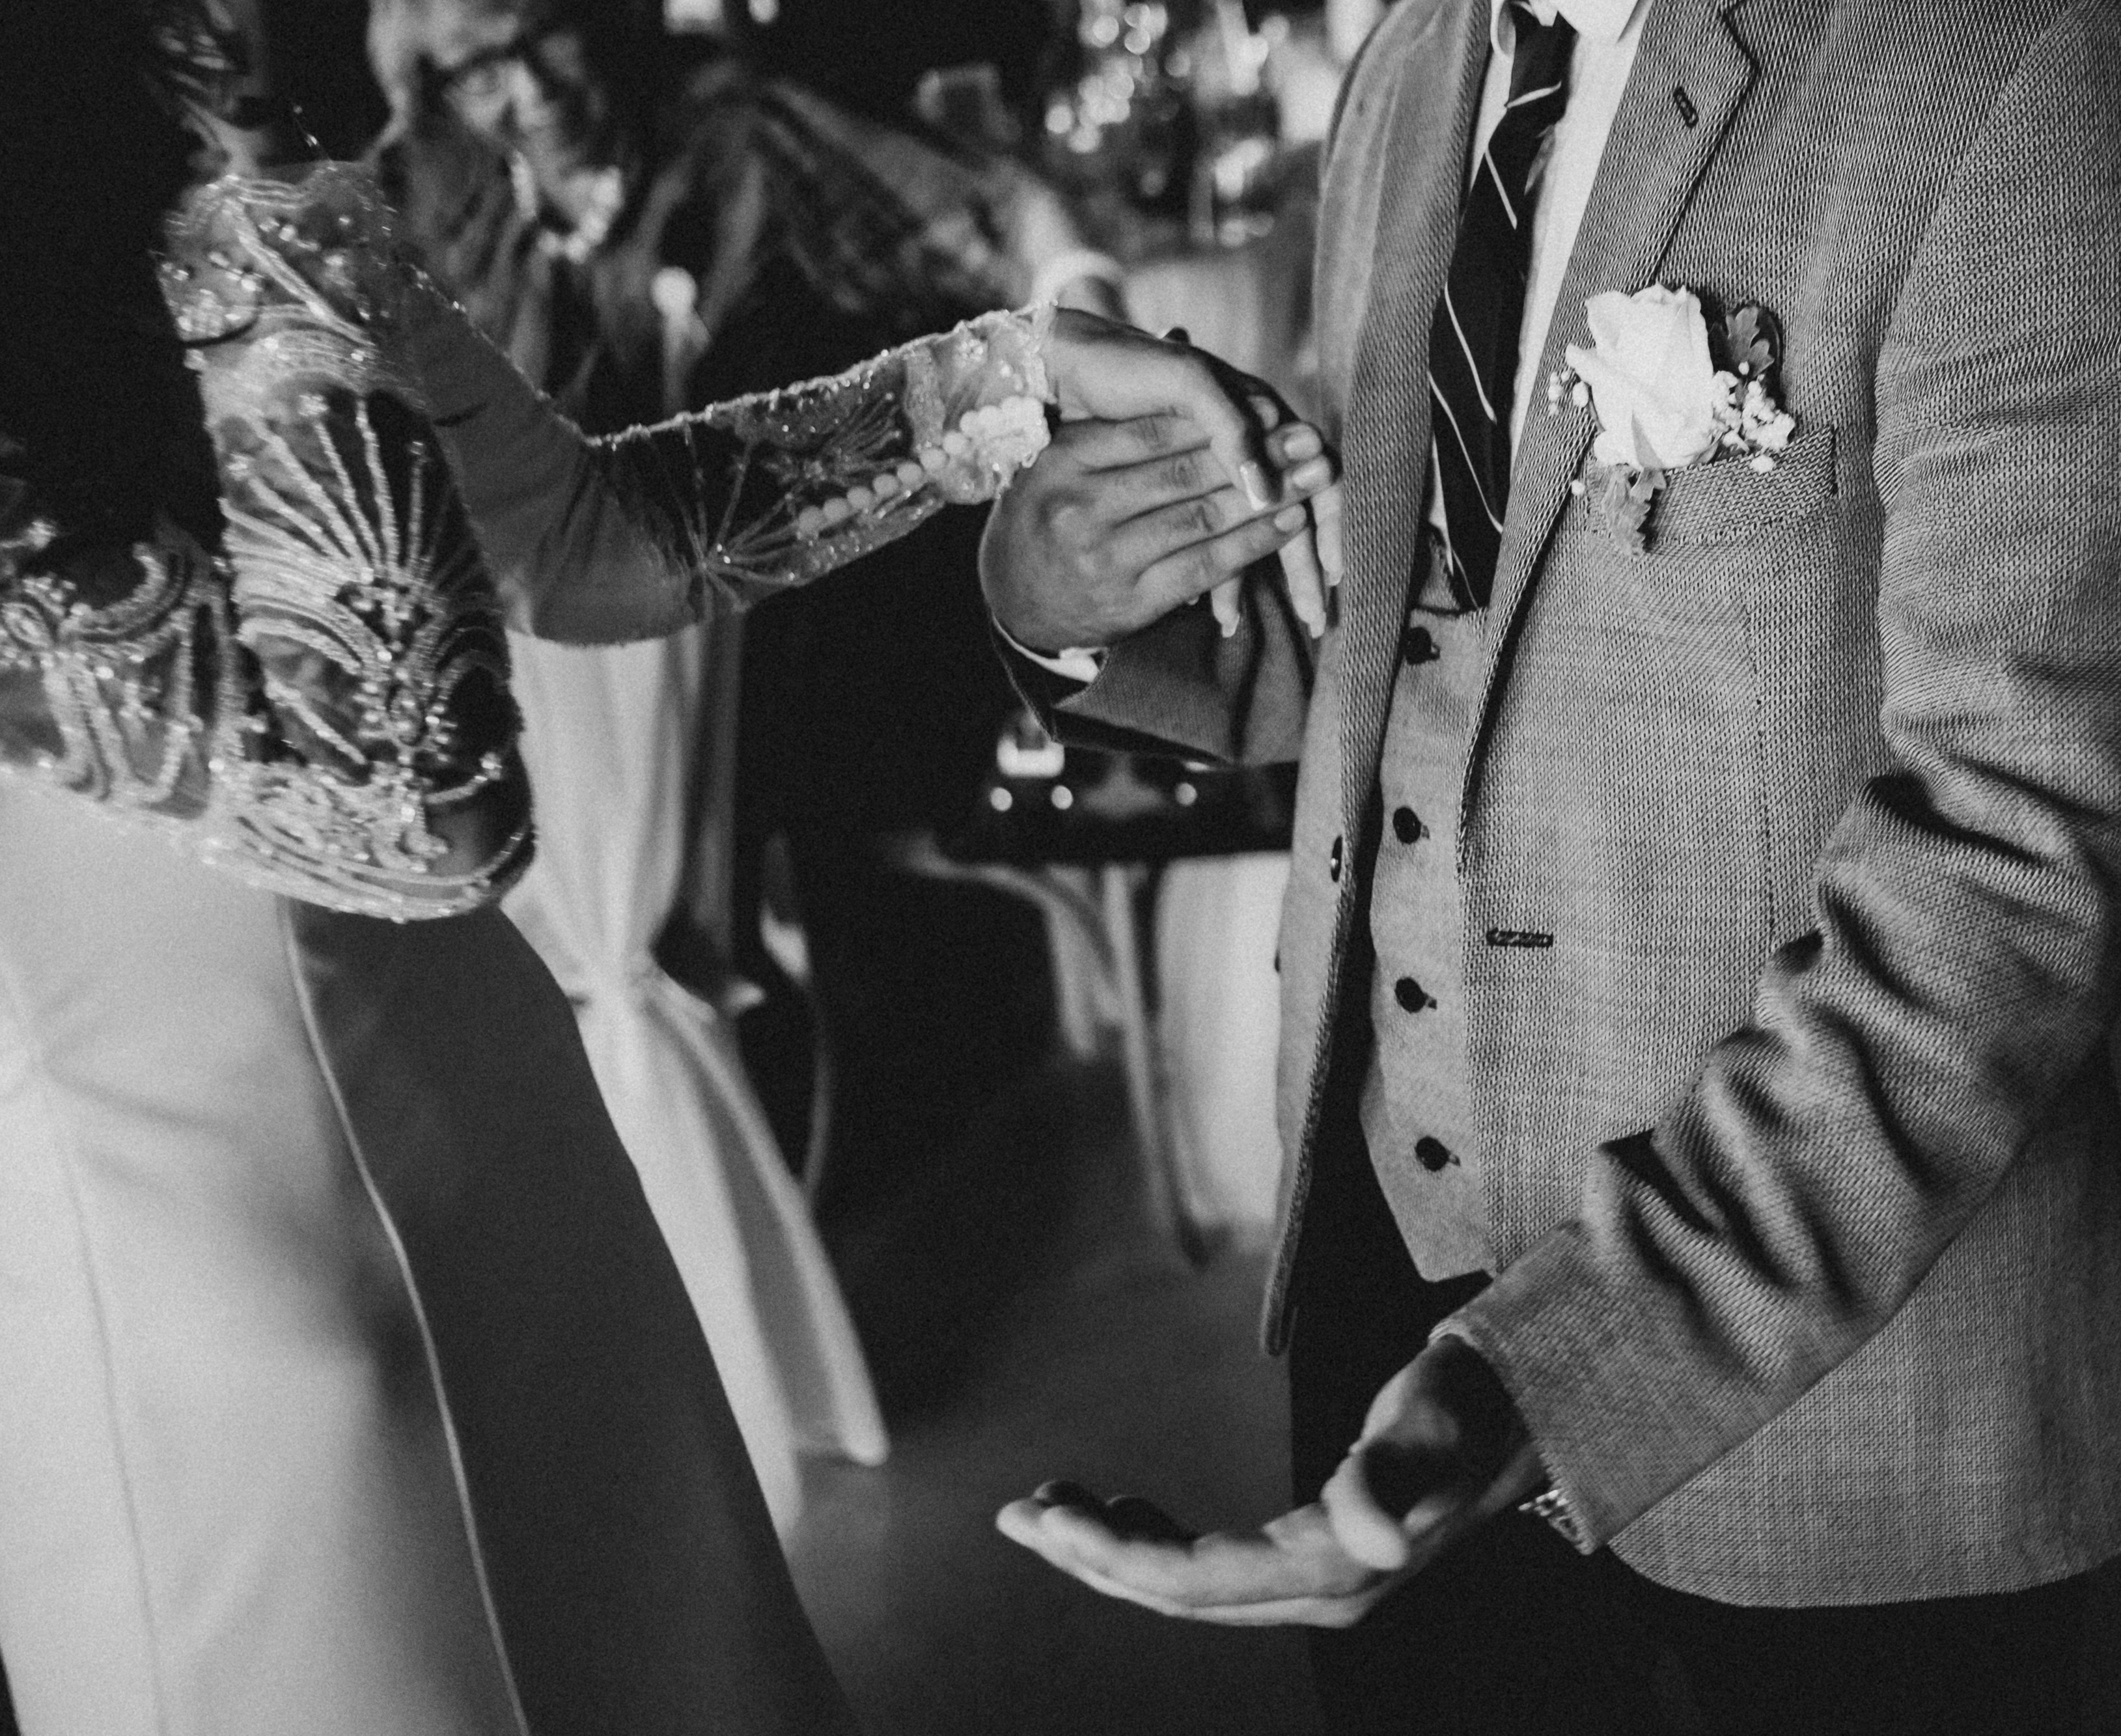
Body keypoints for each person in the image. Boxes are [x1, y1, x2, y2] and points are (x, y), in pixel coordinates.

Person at [0, 6, 1331, 1730]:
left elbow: (590, 541)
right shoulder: (252, 210)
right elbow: (419, 801)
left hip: (507, 1127)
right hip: (189, 1281)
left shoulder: (226, 197)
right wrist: (246, 180)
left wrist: (1004, 381)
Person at [986, 0, 2121, 1730]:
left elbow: (2017, 855)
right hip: (1397, 1277)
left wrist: (1563, 1372)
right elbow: (1393, 648)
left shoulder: (2029, 56)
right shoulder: (1419, 65)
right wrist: (1062, 614)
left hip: (1855, 1378)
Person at [371, 0, 1135, 1252]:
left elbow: (1001, 219)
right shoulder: (413, 208)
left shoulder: (737, 136)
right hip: (547, 687)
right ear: (431, 91)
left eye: (547, 32)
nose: (533, 86)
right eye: (479, 68)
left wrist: (1079, 318)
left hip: (788, 650)